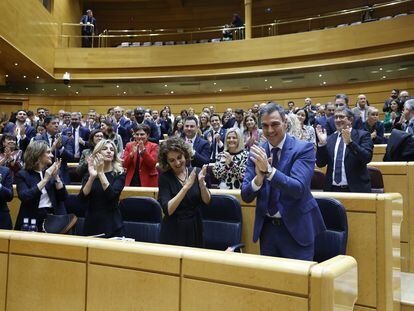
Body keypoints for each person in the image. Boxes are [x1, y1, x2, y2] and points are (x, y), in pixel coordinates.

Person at [241, 103, 325, 260]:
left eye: (275, 124)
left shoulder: (303, 148)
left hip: (296, 229)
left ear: (285, 123)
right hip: (267, 231)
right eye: (265, 126)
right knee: (272, 282)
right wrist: (258, 180)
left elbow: (298, 188)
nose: (270, 130)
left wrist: (269, 172)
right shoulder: (257, 152)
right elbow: (246, 195)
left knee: (299, 283)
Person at [157, 137, 210, 247]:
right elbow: (168, 210)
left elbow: (207, 201)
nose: (177, 163)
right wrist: (186, 187)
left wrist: (201, 184)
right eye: (171, 160)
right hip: (173, 230)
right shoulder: (165, 178)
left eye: (179, 157)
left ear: (185, 155)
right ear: (166, 162)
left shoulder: (196, 171)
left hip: (195, 227)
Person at [315, 107, 373, 193]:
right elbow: (320, 163)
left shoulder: (362, 135)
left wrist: (350, 143)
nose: (338, 120)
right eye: (336, 117)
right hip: (332, 189)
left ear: (351, 120)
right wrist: (322, 144)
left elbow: (367, 158)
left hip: (355, 190)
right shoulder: (330, 138)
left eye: (341, 117)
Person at [14, 141, 68, 231]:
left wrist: (56, 177)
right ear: (38, 155)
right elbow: (25, 197)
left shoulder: (53, 172)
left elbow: (63, 197)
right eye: (48, 152)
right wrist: (45, 179)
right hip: (31, 219)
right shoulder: (22, 174)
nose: (51, 155)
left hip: (54, 218)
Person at [78, 139, 125, 237]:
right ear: (97, 153)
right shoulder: (91, 173)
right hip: (91, 224)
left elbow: (112, 198)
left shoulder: (119, 174)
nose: (109, 151)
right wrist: (91, 177)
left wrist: (100, 173)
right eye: (104, 149)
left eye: (112, 150)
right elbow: (81, 199)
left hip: (112, 225)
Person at [33, 115, 74, 184]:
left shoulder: (64, 139)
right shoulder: (38, 139)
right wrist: (52, 149)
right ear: (46, 125)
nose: (57, 125)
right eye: (54, 123)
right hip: (43, 173)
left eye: (58, 123)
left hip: (61, 174)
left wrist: (60, 148)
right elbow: (35, 157)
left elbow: (71, 157)